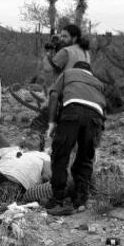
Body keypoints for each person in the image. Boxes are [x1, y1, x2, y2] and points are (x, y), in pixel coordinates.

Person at [46, 61, 107, 216]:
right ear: (90, 72)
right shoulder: (98, 83)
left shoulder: (68, 73)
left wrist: (52, 123)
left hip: (72, 111)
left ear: (76, 69)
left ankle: (57, 199)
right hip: (96, 117)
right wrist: (95, 146)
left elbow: (54, 95)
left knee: (61, 155)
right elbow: (103, 111)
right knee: (85, 159)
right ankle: (80, 199)